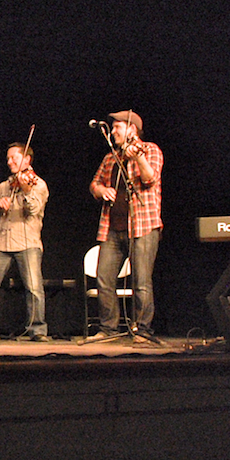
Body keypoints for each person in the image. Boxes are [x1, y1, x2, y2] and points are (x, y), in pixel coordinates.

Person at [86, 110, 164, 344]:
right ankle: (108, 329)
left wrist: (137, 157)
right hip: (112, 227)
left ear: (132, 129)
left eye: (117, 127)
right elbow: (95, 183)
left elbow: (150, 178)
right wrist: (100, 191)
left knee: (141, 281)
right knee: (104, 278)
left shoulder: (150, 150)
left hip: (143, 226)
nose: (113, 131)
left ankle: (142, 330)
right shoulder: (111, 157)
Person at [0, 141, 49, 341]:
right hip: (1, 242)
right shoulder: (5, 186)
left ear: (27, 159)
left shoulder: (37, 184)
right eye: (8, 158)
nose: (9, 161)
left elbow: (34, 209)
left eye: (14, 157)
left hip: (28, 242)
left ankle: (38, 330)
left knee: (33, 287)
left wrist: (26, 192)